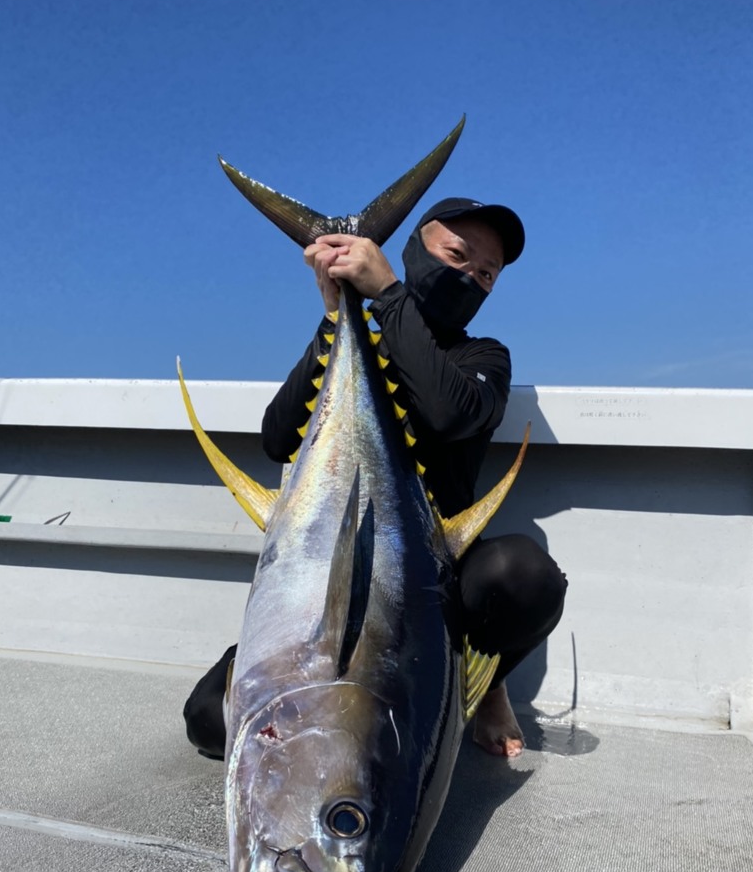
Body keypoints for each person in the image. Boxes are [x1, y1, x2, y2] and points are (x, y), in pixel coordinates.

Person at [184, 198, 567, 760]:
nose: (469, 277)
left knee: (525, 576)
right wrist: (334, 315)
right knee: (208, 722)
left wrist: (387, 294)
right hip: (326, 580)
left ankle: (487, 686)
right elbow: (276, 438)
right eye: (457, 255)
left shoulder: (484, 357)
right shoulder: (352, 339)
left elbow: (448, 412)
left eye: (487, 274)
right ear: (414, 249)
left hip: (432, 580)